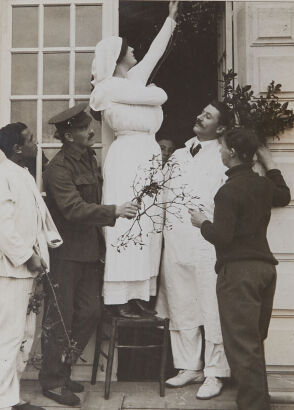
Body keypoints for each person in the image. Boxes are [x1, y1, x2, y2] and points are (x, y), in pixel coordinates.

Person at [39, 103, 139, 407]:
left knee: (91, 313)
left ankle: (63, 368)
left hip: (89, 253)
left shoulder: (87, 159)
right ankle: (53, 381)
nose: (91, 131)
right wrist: (114, 212)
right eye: (83, 128)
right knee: (61, 318)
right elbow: (72, 209)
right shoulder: (58, 169)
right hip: (66, 255)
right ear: (69, 136)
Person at [190, 127, 291, 410]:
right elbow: (283, 195)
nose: (220, 151)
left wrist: (202, 223)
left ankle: (253, 406)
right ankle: (259, 402)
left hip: (239, 274)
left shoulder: (227, 191)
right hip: (265, 272)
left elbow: (222, 237)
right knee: (253, 342)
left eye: (222, 147)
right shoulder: (262, 185)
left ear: (233, 153)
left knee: (242, 346)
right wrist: (270, 164)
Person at [90, 1, 179, 319]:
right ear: (117, 57)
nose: (135, 54)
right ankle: (119, 295)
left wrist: (170, 21)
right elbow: (159, 96)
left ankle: (142, 293)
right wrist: (156, 91)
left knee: (148, 225)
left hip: (149, 156)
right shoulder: (107, 88)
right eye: (129, 50)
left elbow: (154, 55)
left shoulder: (132, 81)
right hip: (127, 157)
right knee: (127, 223)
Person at [0, 123, 62, 410]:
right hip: (8, 269)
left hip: (26, 269)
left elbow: (35, 220)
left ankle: (11, 397)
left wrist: (42, 253)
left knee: (22, 335)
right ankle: (1, 400)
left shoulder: (22, 175)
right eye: (31, 140)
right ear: (17, 147)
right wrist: (27, 256)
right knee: (8, 335)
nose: (37, 145)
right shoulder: (1, 178)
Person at [156, 101, 231, 399]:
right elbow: (161, 197)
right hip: (176, 242)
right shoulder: (177, 155)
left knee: (210, 307)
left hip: (206, 242)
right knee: (180, 302)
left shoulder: (224, 157)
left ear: (221, 128)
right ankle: (189, 366)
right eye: (201, 112)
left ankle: (215, 372)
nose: (200, 116)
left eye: (209, 116)